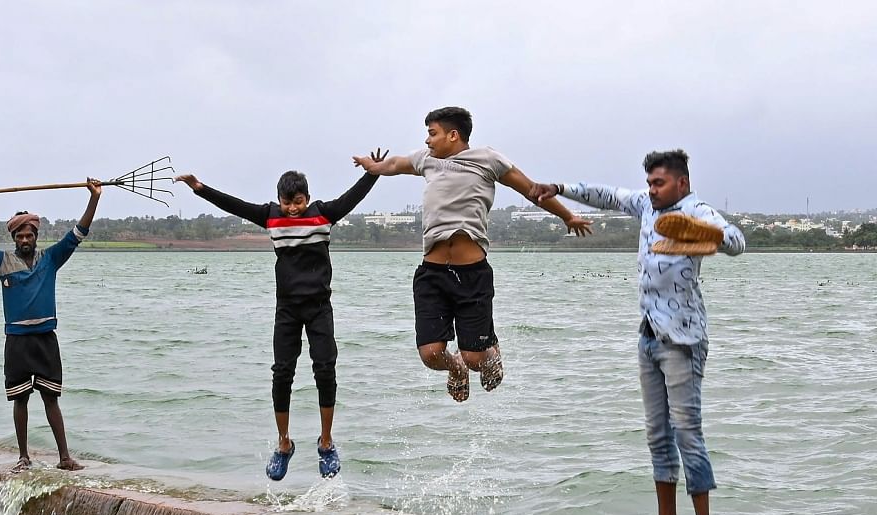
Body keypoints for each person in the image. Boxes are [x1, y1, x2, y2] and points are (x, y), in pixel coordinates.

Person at [531, 148, 746, 515]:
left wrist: (701, 234)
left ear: (681, 183)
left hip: (683, 340)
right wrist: (559, 189)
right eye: (649, 182)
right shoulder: (646, 206)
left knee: (688, 432)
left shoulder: (697, 209)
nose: (651, 189)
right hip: (649, 335)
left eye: (659, 183)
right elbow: (608, 195)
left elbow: (737, 242)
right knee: (656, 435)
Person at [353, 107, 592, 401]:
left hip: (472, 274)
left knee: (477, 360)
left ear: (453, 135)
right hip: (432, 274)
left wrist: (567, 216)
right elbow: (394, 164)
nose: (427, 141)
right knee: (430, 354)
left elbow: (532, 190)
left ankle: (489, 351)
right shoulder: (426, 160)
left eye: (432, 133)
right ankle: (456, 368)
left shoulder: (487, 160)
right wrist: (372, 166)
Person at [174, 154, 384, 481]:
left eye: (298, 202)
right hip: (286, 309)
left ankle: (326, 443)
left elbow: (351, 198)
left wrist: (374, 174)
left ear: (308, 199)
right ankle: (284, 444)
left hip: (319, 308)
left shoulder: (323, 214)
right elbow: (235, 205)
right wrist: (199, 187)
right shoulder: (271, 217)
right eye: (287, 203)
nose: (293, 209)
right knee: (282, 373)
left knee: (325, 369)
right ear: (279, 200)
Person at [0, 180, 101, 472]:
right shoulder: (1, 262)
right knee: (20, 399)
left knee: (51, 399)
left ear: (36, 236)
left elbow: (79, 232)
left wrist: (94, 198)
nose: (25, 240)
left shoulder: (50, 259)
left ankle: (64, 456)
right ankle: (23, 456)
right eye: (20, 236)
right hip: (17, 341)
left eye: (30, 235)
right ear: (14, 238)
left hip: (45, 340)